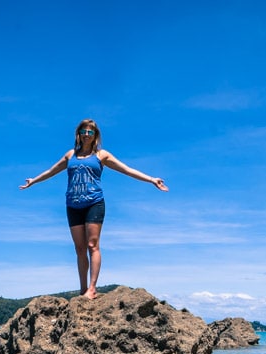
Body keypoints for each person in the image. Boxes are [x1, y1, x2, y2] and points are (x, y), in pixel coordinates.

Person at [20, 118, 168, 299]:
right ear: (79, 134)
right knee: (79, 248)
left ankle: (92, 288)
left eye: (91, 132)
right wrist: (33, 181)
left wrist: (151, 179)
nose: (87, 134)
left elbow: (127, 170)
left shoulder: (101, 155)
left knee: (92, 245)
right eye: (84, 131)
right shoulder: (70, 155)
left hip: (94, 203)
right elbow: (51, 171)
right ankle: (83, 289)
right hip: (73, 205)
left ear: (95, 135)